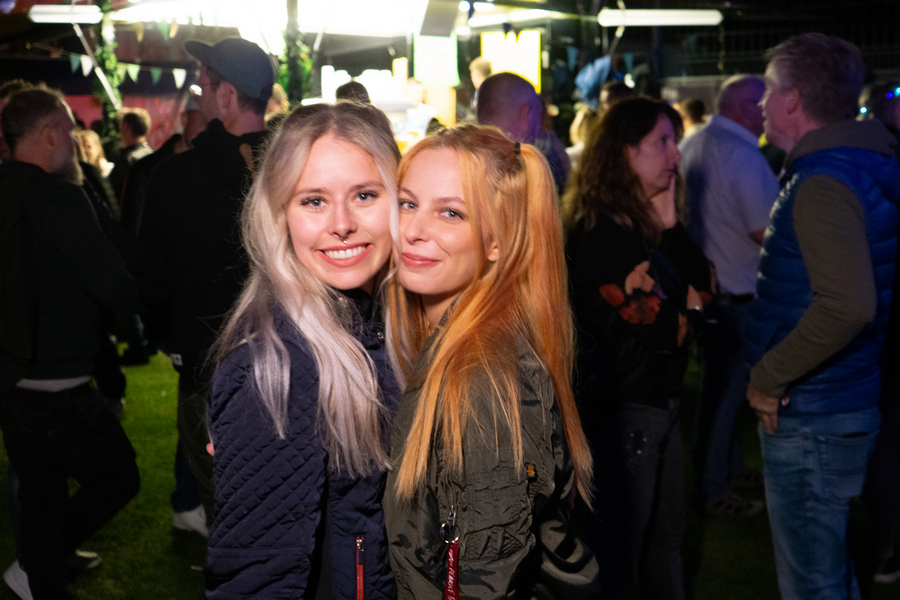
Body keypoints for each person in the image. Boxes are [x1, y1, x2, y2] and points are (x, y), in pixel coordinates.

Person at [384, 125, 599, 599]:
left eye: (451, 213)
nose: (413, 230)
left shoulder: (484, 378)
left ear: (498, 240)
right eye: (407, 203)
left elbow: (486, 582)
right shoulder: (445, 341)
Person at [206, 102, 401, 598]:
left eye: (364, 195)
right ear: (280, 216)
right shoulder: (277, 369)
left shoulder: (382, 324)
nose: (342, 223)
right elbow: (253, 583)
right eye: (313, 201)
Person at [747, 33, 900, 600]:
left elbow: (849, 304)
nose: (761, 103)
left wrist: (769, 377)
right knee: (829, 576)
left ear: (791, 100)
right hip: (836, 402)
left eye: (768, 90)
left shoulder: (824, 182)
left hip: (813, 412)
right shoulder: (852, 165)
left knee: (813, 585)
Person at [564, 97, 714, 600]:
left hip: (657, 407)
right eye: (662, 141)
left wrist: (671, 227)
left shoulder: (642, 229)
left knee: (664, 542)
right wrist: (693, 314)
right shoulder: (604, 236)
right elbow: (667, 334)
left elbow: (706, 281)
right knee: (619, 554)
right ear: (626, 153)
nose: (676, 154)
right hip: (624, 416)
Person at [0, 85, 140, 600]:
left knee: (41, 495)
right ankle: (40, 564)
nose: (75, 139)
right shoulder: (58, 196)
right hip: (58, 383)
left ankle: (40, 576)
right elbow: (111, 282)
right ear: (47, 133)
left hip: (14, 381)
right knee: (118, 478)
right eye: (67, 128)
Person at [137, 36, 275, 537]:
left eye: (203, 85)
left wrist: (172, 339)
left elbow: (151, 277)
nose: (197, 94)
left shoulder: (178, 177)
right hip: (289, 364)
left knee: (228, 510)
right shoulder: (294, 170)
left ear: (227, 95)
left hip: (208, 368)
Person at [679, 74, 778, 517]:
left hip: (708, 291)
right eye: (763, 103)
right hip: (737, 293)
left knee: (719, 391)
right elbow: (765, 230)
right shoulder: (743, 154)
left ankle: (727, 470)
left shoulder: (694, 142)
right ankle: (714, 485)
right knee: (725, 396)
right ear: (746, 107)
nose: (768, 111)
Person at [859, 80, 900, 585]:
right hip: (883, 325)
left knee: (885, 440)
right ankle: (883, 548)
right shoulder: (876, 169)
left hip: (883, 325)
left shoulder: (868, 170)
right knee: (885, 438)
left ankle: (883, 549)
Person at [477, 72, 570, 191]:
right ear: (525, 114)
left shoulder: (463, 164)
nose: (540, 125)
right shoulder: (539, 160)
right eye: (538, 112)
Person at [108, 108, 152, 204]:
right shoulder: (152, 156)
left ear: (126, 127)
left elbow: (115, 193)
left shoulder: (127, 160)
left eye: (121, 126)